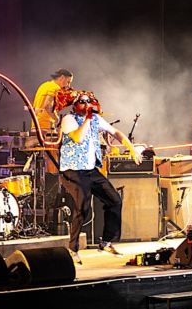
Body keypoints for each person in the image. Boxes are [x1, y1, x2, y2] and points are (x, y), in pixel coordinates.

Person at [59, 92, 141, 264]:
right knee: (83, 206)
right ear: (75, 105)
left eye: (88, 101)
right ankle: (72, 249)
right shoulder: (69, 119)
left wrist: (131, 147)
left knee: (114, 200)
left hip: (90, 170)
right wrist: (88, 119)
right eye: (82, 102)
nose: (86, 104)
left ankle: (106, 242)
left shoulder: (95, 118)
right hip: (72, 171)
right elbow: (78, 137)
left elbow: (115, 131)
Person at [31, 69, 74, 222]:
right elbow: (48, 106)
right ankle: (51, 202)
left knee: (43, 167)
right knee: (53, 167)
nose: (67, 85)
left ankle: (45, 199)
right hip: (45, 130)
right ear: (61, 78)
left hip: (36, 128)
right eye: (68, 82)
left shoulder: (44, 85)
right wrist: (57, 119)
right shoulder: (54, 88)